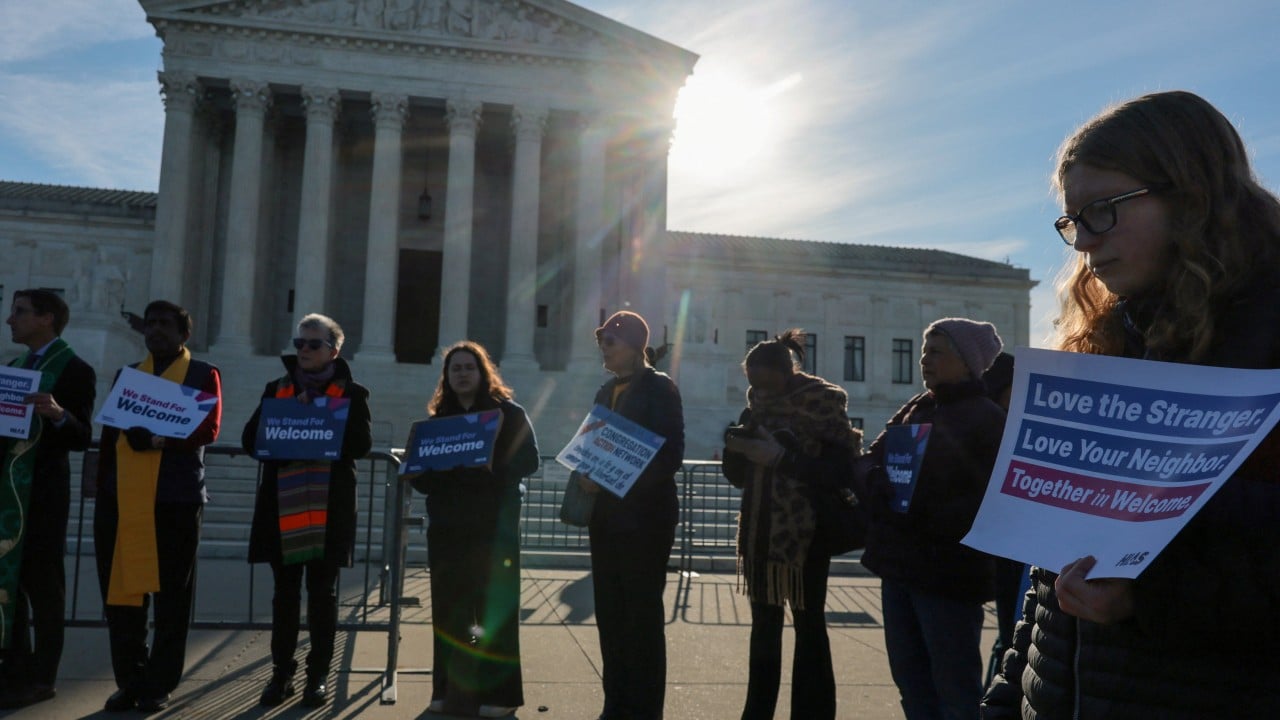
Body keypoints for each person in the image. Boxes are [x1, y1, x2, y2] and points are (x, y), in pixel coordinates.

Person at [983, 91, 1280, 717]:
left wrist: (1153, 598)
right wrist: (1008, 697)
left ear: (1191, 195)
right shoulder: (1106, 340)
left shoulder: (1266, 341)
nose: (1083, 243)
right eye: (1073, 221)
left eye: (1102, 211)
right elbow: (1050, 575)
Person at [861, 317, 1005, 720]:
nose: (924, 359)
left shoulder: (987, 419)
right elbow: (874, 458)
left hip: (948, 577)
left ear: (967, 362)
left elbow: (987, 499)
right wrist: (878, 481)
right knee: (912, 684)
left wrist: (924, 500)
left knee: (955, 690)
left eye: (936, 352)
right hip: (899, 567)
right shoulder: (917, 408)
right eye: (925, 351)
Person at [720, 329, 861, 720]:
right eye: (753, 384)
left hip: (806, 535)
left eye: (765, 384)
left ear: (786, 374)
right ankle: (757, 712)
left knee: (809, 626)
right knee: (764, 629)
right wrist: (736, 449)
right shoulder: (756, 409)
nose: (759, 392)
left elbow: (840, 472)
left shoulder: (823, 405)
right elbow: (739, 478)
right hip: (760, 534)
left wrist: (781, 458)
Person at [94, 300, 221, 713]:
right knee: (123, 595)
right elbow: (111, 436)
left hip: (175, 499)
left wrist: (157, 440)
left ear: (185, 334)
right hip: (124, 497)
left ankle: (159, 682)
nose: (155, 330)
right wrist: (102, 488)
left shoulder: (203, 374)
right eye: (150, 324)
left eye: (165, 324)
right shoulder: (128, 375)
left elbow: (208, 428)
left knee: (171, 597)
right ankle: (130, 679)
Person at [241, 314, 372, 708]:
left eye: (314, 344)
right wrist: (291, 422)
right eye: (300, 343)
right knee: (284, 596)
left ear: (334, 350)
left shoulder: (352, 393)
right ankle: (281, 673)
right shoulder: (277, 389)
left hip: (329, 506)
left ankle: (318, 676)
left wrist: (321, 417)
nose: (304, 350)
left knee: (322, 596)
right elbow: (251, 440)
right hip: (282, 505)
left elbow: (361, 444)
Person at [409, 341, 538, 718]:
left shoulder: (509, 413)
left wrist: (491, 463)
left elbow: (528, 460)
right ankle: (450, 691)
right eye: (455, 369)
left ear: (483, 372)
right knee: (450, 613)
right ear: (446, 377)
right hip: (448, 528)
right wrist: (419, 470)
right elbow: (423, 480)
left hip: (493, 528)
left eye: (469, 367)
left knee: (496, 612)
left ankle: (502, 695)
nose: (462, 374)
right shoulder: (437, 422)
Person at [579, 311, 683, 720]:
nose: (603, 348)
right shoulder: (605, 391)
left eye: (610, 341)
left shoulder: (660, 388)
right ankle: (616, 703)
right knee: (610, 615)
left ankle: (644, 710)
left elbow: (669, 456)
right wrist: (587, 469)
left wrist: (610, 479)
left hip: (645, 520)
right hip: (605, 520)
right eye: (601, 341)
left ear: (635, 345)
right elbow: (593, 444)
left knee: (641, 618)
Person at [0, 290, 96, 709]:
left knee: (44, 588)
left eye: (19, 312)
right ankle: (14, 670)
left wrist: (58, 414)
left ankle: (43, 676)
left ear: (47, 319)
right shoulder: (13, 368)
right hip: (8, 492)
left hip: (43, 494)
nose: (10, 320)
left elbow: (82, 436)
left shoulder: (75, 369)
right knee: (10, 585)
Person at [979, 352, 1023, 686]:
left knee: (1009, 640)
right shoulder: (999, 426)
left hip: (1012, 549)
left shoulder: (1002, 423)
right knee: (1010, 640)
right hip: (1008, 551)